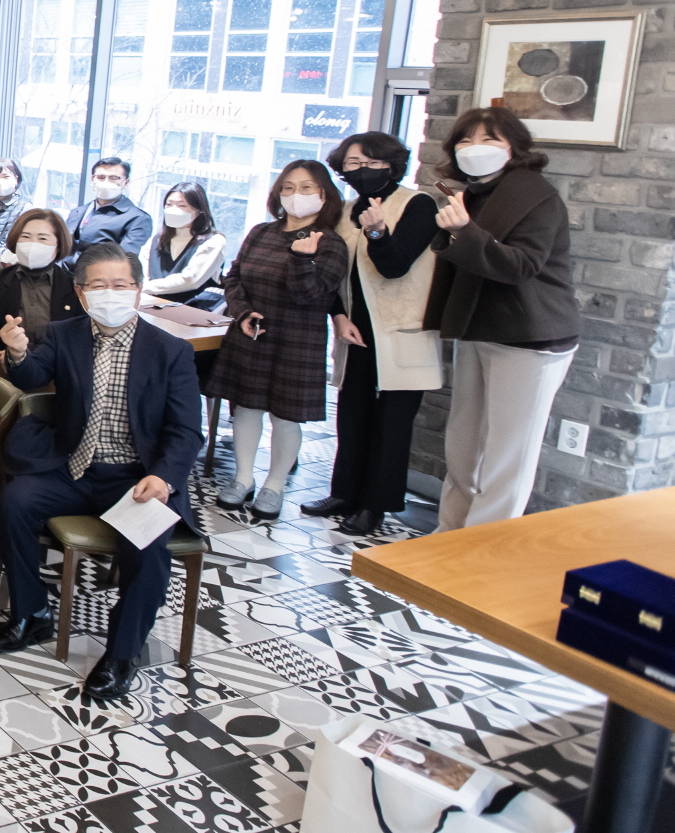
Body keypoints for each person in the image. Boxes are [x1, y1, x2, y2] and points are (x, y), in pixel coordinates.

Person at [0, 244, 204, 701]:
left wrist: (163, 478)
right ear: (81, 292)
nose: (111, 294)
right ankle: (31, 613)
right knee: (12, 504)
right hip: (72, 466)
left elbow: (187, 431)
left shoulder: (170, 351)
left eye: (121, 285)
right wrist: (18, 353)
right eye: (99, 285)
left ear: (138, 290)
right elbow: (30, 378)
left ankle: (122, 652)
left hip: (135, 478)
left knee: (148, 546)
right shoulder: (64, 333)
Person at [423, 108, 580, 531]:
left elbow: (521, 266)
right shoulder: (473, 193)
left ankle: (481, 547)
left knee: (508, 454)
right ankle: (448, 534)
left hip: (530, 336)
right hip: (480, 329)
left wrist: (464, 231)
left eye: (489, 139)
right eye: (466, 140)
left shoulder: (536, 196)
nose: (475, 148)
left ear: (514, 148)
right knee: (463, 444)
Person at [298, 132, 442, 537]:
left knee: (391, 424)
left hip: (400, 329)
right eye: (352, 164)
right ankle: (344, 493)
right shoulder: (344, 210)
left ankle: (376, 505)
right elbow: (332, 271)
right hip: (355, 329)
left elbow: (395, 266)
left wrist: (378, 231)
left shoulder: (417, 204)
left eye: (370, 162)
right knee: (352, 414)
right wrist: (338, 316)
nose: (361, 171)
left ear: (391, 164)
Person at [209, 161, 349, 518]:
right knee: (245, 409)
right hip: (252, 332)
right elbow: (234, 277)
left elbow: (310, 295)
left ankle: (274, 485)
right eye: (288, 187)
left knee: (286, 417)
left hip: (298, 339)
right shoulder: (261, 232)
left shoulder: (331, 243)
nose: (295, 195)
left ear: (324, 194)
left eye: (306, 187)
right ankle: (243, 478)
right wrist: (242, 313)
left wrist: (301, 259)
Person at [0, 210, 80, 346]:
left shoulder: (74, 285)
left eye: (43, 239)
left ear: (58, 245)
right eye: (26, 237)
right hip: (6, 355)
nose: (33, 244)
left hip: (57, 357)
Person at [144, 182, 226, 311]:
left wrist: (141, 287)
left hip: (191, 312)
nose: (173, 210)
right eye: (169, 204)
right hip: (150, 308)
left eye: (182, 205)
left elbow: (190, 280)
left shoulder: (213, 241)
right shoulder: (155, 240)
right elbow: (142, 274)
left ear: (199, 210)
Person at [66, 157, 153, 262]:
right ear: (92, 179)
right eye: (101, 177)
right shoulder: (77, 212)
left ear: (126, 182)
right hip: (63, 271)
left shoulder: (138, 218)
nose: (106, 182)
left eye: (114, 178)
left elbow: (124, 261)